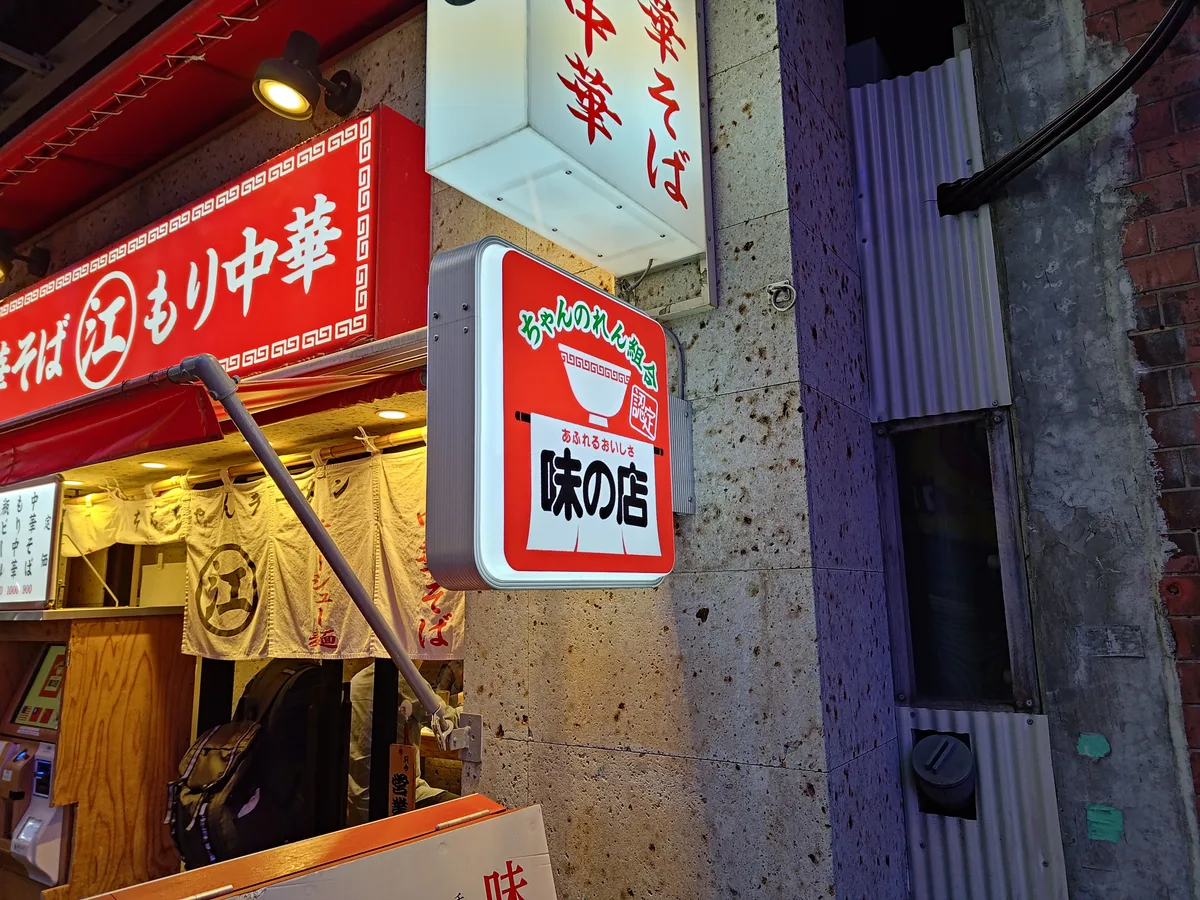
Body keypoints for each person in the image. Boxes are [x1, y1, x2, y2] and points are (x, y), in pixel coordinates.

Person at [347, 660, 460, 825]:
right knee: (472, 814)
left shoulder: (357, 680)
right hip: (398, 796)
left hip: (357, 798)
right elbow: (447, 723)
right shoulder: (404, 678)